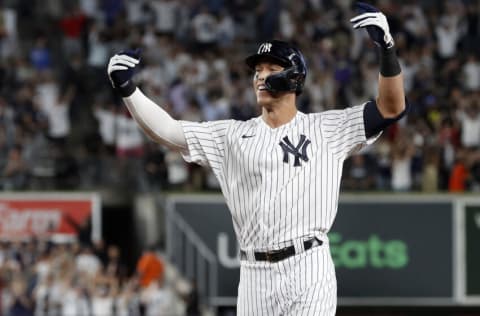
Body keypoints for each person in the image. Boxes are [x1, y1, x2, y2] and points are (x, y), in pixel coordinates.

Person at [107, 2, 407, 314]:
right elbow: (168, 130)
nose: (260, 76)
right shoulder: (232, 136)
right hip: (254, 275)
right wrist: (129, 90)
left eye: (271, 69)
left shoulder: (326, 128)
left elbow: (390, 107)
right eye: (257, 70)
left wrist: (386, 48)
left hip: (309, 266)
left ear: (294, 78)